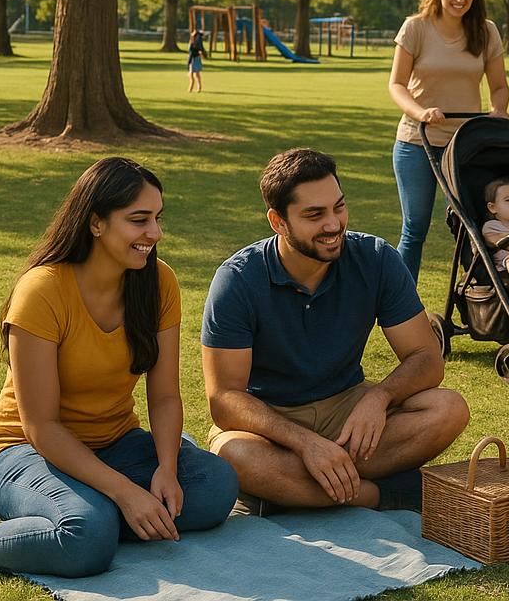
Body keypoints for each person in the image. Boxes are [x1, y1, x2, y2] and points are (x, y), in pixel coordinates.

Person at [0, 158, 237, 578]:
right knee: (87, 537)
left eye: (157, 218)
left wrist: (167, 469)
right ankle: (90, 517)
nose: (154, 233)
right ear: (96, 223)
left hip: (116, 444)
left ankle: (91, 510)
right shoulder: (42, 290)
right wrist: (126, 493)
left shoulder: (159, 282)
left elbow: (166, 395)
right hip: (21, 452)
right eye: (139, 220)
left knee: (216, 487)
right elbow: (41, 427)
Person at [201, 148, 470, 515]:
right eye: (314, 214)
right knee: (234, 454)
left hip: (348, 407)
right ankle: (381, 495)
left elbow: (426, 359)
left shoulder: (375, 258)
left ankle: (291, 491)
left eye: (338, 207)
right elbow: (225, 399)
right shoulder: (237, 280)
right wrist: (304, 443)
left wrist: (379, 399)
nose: (333, 224)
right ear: (278, 222)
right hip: (271, 423)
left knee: (448, 408)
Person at [388, 0, 509, 281]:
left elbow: (499, 86)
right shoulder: (415, 28)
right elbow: (397, 84)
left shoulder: (486, 31)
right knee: (415, 228)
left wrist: (499, 110)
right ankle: (400, 303)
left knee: (473, 225)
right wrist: (421, 113)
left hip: (465, 146)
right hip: (417, 142)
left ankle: (483, 297)